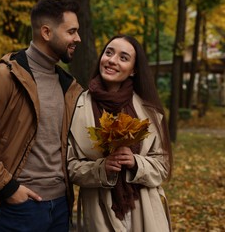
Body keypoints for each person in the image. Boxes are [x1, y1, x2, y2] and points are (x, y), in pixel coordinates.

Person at [0, 0, 83, 232]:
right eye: (71, 31)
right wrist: (8, 188)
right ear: (46, 32)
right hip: (19, 208)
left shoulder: (69, 86)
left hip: (61, 207)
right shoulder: (3, 76)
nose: (78, 38)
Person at [67, 34, 173, 231]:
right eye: (109, 53)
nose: (112, 61)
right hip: (98, 209)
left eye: (123, 58)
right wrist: (101, 168)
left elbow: (163, 167)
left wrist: (135, 162)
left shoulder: (150, 111)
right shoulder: (76, 107)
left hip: (145, 210)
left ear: (133, 70)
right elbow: (69, 166)